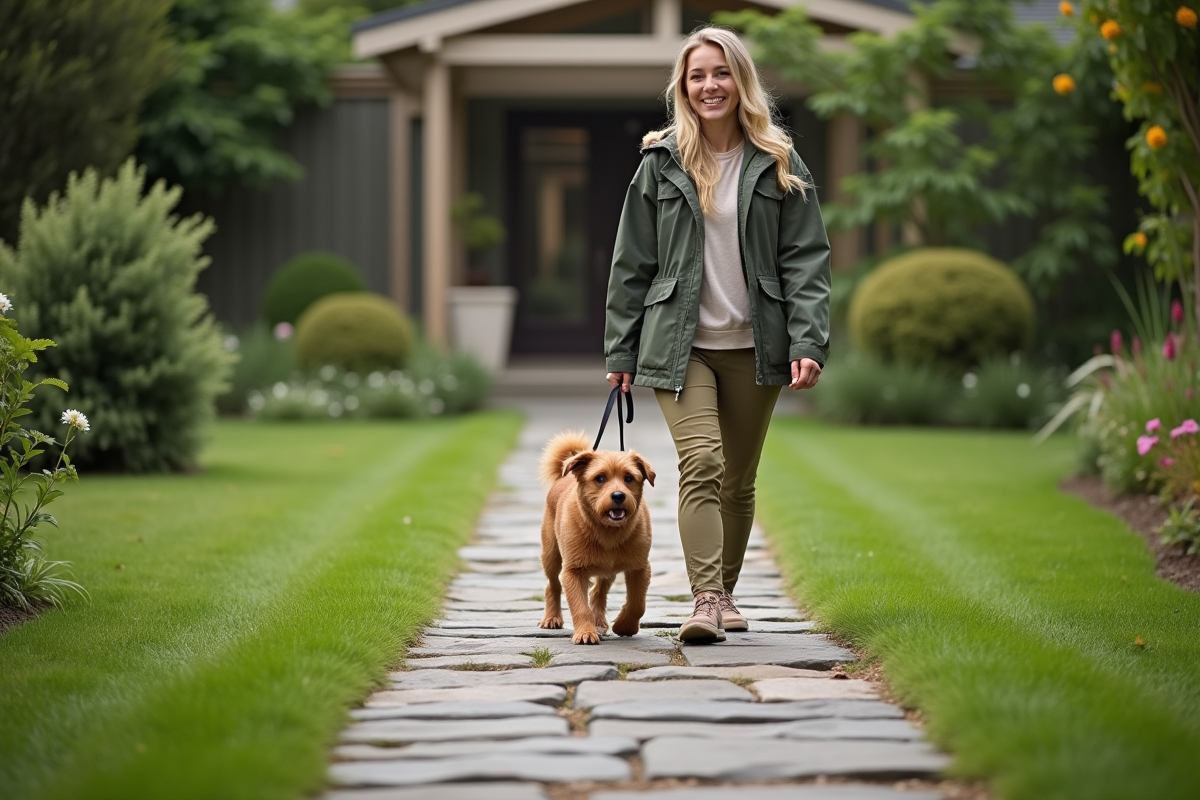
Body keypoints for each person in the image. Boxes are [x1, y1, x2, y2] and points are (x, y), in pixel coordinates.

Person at [603, 27, 831, 644]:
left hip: (757, 345)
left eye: (721, 72)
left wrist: (808, 341)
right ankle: (705, 599)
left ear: (741, 81)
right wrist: (622, 349)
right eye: (697, 75)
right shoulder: (660, 162)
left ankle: (723, 594)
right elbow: (632, 262)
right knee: (702, 461)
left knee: (738, 479)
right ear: (683, 87)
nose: (710, 85)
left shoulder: (779, 161)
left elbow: (806, 259)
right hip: (681, 345)